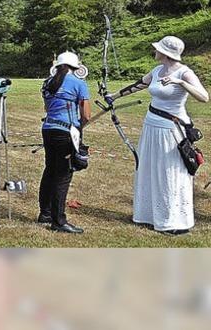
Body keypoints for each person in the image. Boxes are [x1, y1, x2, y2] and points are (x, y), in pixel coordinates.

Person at [105, 36, 209, 235]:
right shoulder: (156, 71)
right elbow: (139, 85)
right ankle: (147, 215)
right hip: (151, 125)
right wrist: (114, 96)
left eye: (158, 49)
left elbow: (204, 97)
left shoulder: (184, 72)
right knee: (149, 168)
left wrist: (180, 82)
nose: (155, 51)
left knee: (169, 172)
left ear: (166, 53)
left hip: (171, 129)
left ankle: (172, 220)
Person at [38, 51, 91, 234]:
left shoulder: (48, 82)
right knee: (62, 175)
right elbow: (86, 115)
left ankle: (45, 213)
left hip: (48, 129)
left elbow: (47, 107)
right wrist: (79, 128)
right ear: (75, 67)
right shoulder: (79, 83)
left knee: (50, 170)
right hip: (66, 132)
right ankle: (58, 221)